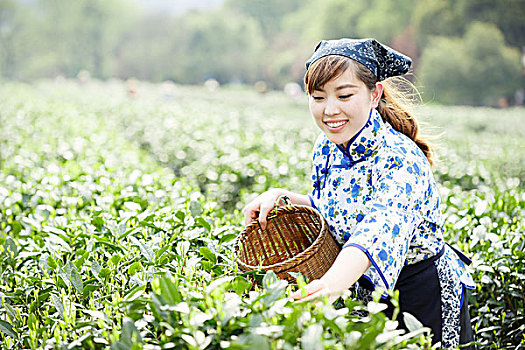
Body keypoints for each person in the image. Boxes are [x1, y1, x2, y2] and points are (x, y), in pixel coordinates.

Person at [242, 38, 476, 348]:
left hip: (421, 292)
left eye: (344, 95)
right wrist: (282, 197)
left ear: (374, 94)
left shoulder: (400, 158)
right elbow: (335, 208)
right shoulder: (325, 147)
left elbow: (378, 228)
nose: (330, 110)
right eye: (318, 97)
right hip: (363, 285)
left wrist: (330, 286)